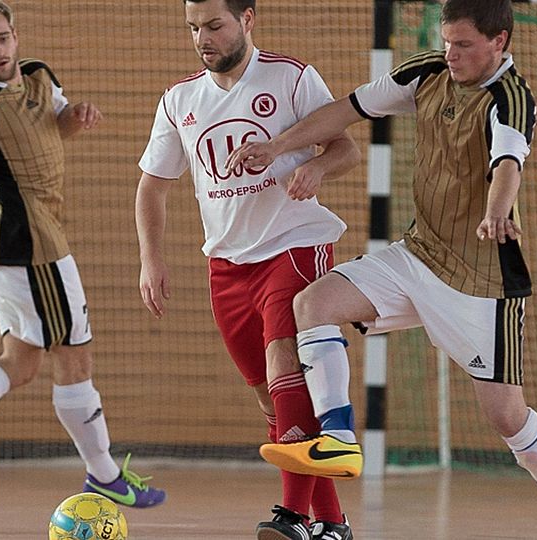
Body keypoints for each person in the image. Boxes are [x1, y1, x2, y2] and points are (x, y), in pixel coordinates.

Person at [227, 0, 537, 537]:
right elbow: (347, 109)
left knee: (507, 418)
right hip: (418, 255)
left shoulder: (511, 98)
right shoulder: (428, 72)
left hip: (483, 285)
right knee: (312, 303)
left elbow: (507, 162)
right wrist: (278, 145)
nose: (450, 53)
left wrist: (498, 210)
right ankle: (338, 436)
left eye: (464, 45)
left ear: (499, 42)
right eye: (447, 41)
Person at [0, 0, 165, 509]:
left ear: (15, 36)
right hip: (33, 250)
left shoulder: (38, 76)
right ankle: (104, 475)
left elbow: (53, 124)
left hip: (14, 250)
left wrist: (75, 117)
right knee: (75, 356)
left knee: (20, 361)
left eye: (2, 38)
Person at [135, 1, 360, 538]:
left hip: (295, 243)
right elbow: (152, 185)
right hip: (228, 264)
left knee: (285, 360)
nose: (202, 38)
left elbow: (345, 147)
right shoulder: (178, 100)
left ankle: (292, 516)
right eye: (193, 28)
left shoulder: (291, 78)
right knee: (271, 396)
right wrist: (151, 258)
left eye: (214, 25)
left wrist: (314, 167)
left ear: (247, 19)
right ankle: (333, 522)